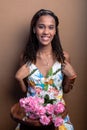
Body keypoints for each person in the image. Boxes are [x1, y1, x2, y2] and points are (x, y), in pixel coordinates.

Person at [15, 9, 77, 130]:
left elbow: (65, 90)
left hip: (58, 115)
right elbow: (25, 92)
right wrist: (18, 79)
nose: (46, 32)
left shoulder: (64, 57)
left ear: (55, 31)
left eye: (51, 27)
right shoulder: (25, 57)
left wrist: (72, 77)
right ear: (34, 30)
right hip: (31, 117)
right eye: (41, 27)